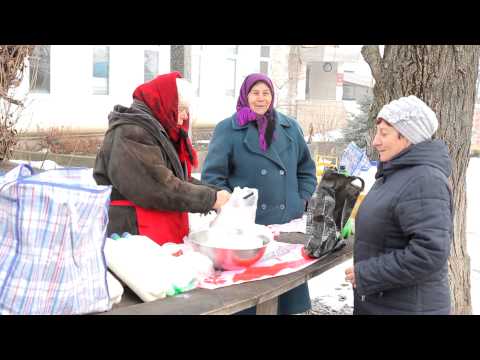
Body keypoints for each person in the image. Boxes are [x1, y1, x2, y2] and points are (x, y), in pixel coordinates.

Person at [201, 73, 317, 314]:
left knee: (286, 292)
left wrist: (301, 198)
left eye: (266, 93)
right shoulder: (228, 129)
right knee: (248, 298)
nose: (261, 98)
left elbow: (306, 168)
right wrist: (233, 208)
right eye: (255, 93)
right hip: (246, 232)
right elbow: (212, 178)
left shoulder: (290, 127)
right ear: (245, 95)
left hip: (287, 226)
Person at [345, 95, 453, 315]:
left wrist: (366, 274)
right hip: (385, 302)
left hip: (409, 307)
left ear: (408, 137)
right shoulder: (394, 172)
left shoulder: (425, 179)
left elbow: (428, 253)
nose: (375, 141)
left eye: (384, 133)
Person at [93, 71, 230, 245]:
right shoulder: (131, 132)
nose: (185, 116)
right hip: (134, 235)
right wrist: (209, 199)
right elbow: (157, 186)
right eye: (181, 109)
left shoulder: (155, 130)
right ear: (165, 103)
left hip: (153, 231)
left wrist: (214, 192)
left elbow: (175, 178)